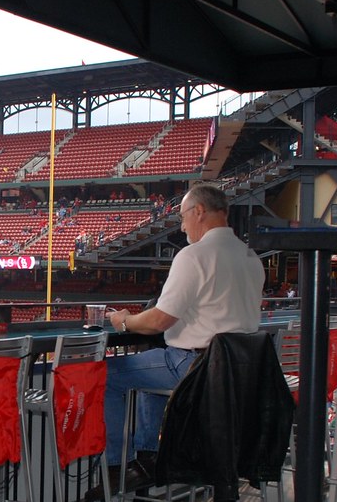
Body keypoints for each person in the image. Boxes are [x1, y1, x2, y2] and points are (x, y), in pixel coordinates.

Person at [104, 183, 265, 486]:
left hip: (196, 368)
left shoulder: (194, 256)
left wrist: (124, 321)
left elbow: (159, 321)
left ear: (199, 212)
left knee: (107, 374)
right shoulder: (250, 257)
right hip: (236, 375)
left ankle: (117, 468)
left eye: (182, 217)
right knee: (151, 366)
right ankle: (149, 459)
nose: (181, 226)